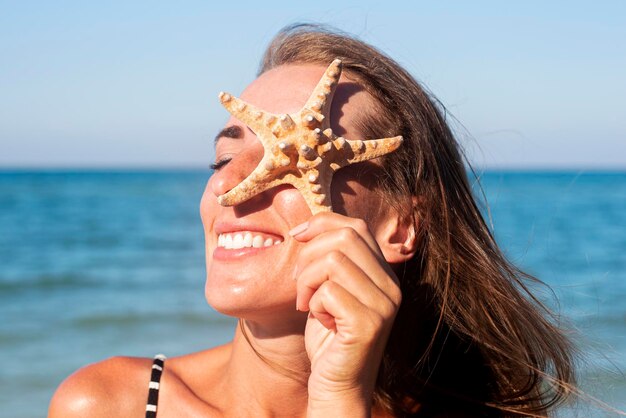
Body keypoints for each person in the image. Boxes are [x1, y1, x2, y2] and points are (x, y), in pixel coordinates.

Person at [49, 24, 576, 417]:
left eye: (302, 160)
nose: (231, 185)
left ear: (400, 225)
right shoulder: (107, 404)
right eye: (223, 159)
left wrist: (339, 398)